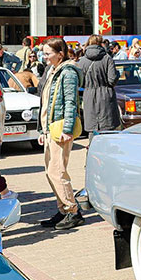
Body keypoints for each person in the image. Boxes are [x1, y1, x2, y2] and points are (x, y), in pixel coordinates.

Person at [38, 38, 84, 230]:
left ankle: (72, 211)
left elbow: (71, 102)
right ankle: (63, 208)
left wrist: (67, 129)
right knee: (50, 171)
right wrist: (42, 130)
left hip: (60, 128)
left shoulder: (68, 72)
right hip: (50, 128)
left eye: (48, 53)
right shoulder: (53, 71)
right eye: (44, 53)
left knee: (58, 171)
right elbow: (46, 102)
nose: (44, 57)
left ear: (60, 54)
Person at [79, 34, 121, 138]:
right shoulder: (107, 58)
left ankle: (92, 150)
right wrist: (118, 74)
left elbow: (80, 82)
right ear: (101, 43)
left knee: (92, 130)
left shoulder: (82, 61)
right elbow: (112, 80)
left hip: (89, 95)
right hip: (106, 95)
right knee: (108, 130)